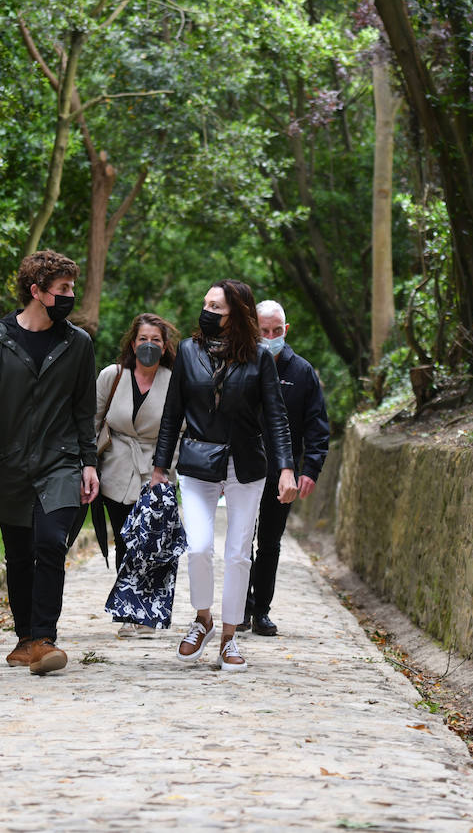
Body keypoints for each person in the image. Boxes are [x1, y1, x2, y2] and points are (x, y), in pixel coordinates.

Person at [0, 250, 100, 676]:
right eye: (62, 289)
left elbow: (84, 409)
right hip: (9, 465)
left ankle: (44, 637)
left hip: (60, 462)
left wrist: (89, 463)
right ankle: (25, 639)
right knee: (19, 555)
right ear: (36, 291)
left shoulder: (77, 344)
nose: (70, 296)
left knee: (50, 543)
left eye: (72, 288)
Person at [150, 279, 297, 672]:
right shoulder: (188, 351)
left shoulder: (260, 358)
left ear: (237, 313)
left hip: (246, 465)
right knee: (198, 547)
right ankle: (203, 620)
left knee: (236, 554)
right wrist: (159, 467)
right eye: (206, 305)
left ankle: (230, 637)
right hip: (198, 462)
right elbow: (172, 413)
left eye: (216, 307)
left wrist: (286, 468)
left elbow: (277, 418)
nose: (207, 312)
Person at [242, 299, 329, 637]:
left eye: (276, 331)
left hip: (284, 475)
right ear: (254, 330)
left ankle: (261, 610)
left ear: (286, 330)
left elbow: (317, 428)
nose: (270, 336)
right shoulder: (242, 366)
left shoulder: (302, 372)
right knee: (241, 542)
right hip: (245, 469)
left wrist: (310, 470)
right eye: (264, 331)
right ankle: (242, 608)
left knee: (270, 542)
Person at [95, 313, 178, 637]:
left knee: (153, 543)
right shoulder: (112, 376)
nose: (149, 345)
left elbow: (182, 430)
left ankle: (147, 612)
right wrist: (87, 464)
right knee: (125, 541)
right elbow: (92, 419)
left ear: (165, 345)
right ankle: (128, 611)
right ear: (133, 343)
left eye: (155, 339)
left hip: (156, 471)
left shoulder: (174, 381)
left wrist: (166, 467)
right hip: (116, 469)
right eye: (143, 339)